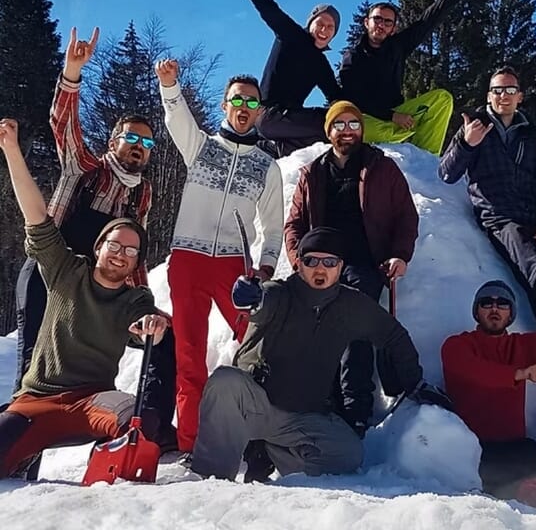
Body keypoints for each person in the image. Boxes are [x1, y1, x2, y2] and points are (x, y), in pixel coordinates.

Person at [10, 27, 176, 454]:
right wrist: (72, 72)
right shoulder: (85, 167)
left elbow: (134, 252)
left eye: (146, 142)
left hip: (98, 287)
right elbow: (63, 126)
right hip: (52, 271)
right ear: (113, 141)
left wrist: (141, 303)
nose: (139, 146)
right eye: (131, 138)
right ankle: (21, 452)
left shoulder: (142, 192)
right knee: (35, 362)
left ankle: (144, 434)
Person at [189, 227, 445, 481]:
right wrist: (250, 299)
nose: (320, 269)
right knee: (224, 382)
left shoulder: (351, 306)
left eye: (329, 262)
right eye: (311, 261)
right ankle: (213, 479)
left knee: (348, 454)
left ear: (340, 266)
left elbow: (394, 335)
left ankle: (273, 452)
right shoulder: (279, 293)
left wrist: (414, 382)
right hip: (256, 406)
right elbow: (261, 304)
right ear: (299, 264)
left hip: (304, 416)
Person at [0, 118, 169, 480]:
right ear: (99, 247)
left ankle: (105, 490)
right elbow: (36, 215)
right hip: (37, 403)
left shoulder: (132, 298)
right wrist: (12, 151)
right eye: (115, 246)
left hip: (94, 401)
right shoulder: (65, 271)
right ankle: (21, 464)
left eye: (131, 251)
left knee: (139, 422)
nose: (121, 255)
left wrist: (152, 326)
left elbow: (146, 318)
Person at [155, 59, 284, 453]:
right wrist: (170, 86)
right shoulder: (202, 147)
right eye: (237, 100)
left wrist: (264, 269)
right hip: (188, 259)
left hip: (233, 266)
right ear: (224, 105)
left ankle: (265, 438)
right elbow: (178, 120)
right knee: (189, 355)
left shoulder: (266, 166)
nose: (244, 107)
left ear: (259, 111)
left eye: (251, 102)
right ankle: (191, 442)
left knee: (258, 345)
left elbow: (273, 226)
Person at [284, 100, 419, 437]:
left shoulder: (381, 168)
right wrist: (300, 261)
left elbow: (406, 216)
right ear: (329, 131)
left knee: (353, 324)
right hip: (320, 265)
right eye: (339, 125)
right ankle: (318, 402)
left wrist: (399, 255)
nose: (347, 131)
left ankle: (355, 409)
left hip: (363, 263)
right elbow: (294, 224)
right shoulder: (313, 173)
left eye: (353, 124)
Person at [439, 66, 536, 338]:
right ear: (489, 96)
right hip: (500, 219)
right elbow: (447, 174)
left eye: (510, 90)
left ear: (519, 96)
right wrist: (467, 144)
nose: (503, 95)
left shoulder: (532, 135)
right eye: (497, 90)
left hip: (535, 216)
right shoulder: (475, 127)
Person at [441, 256, 536, 507]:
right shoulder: (456, 345)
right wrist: (520, 374)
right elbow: (478, 372)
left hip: (517, 447)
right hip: (475, 448)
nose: (494, 308)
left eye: (503, 304)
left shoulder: (520, 346)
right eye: (486, 303)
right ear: (477, 311)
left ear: (511, 315)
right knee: (502, 481)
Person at [338, 0, 475, 155]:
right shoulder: (353, 57)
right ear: (366, 22)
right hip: (368, 120)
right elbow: (354, 98)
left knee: (442, 99)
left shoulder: (398, 47)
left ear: (393, 29)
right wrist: (392, 116)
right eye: (377, 19)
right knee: (358, 126)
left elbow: (427, 21)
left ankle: (424, 159)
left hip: (398, 116)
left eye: (388, 22)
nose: (381, 25)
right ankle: (392, 136)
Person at [229, 0, 342, 156]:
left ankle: (271, 149)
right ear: (310, 23)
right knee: (333, 123)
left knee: (338, 124)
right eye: (320, 23)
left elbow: (337, 96)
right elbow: (267, 7)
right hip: (267, 115)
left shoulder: (321, 65)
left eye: (330, 27)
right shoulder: (291, 35)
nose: (324, 30)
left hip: (286, 123)